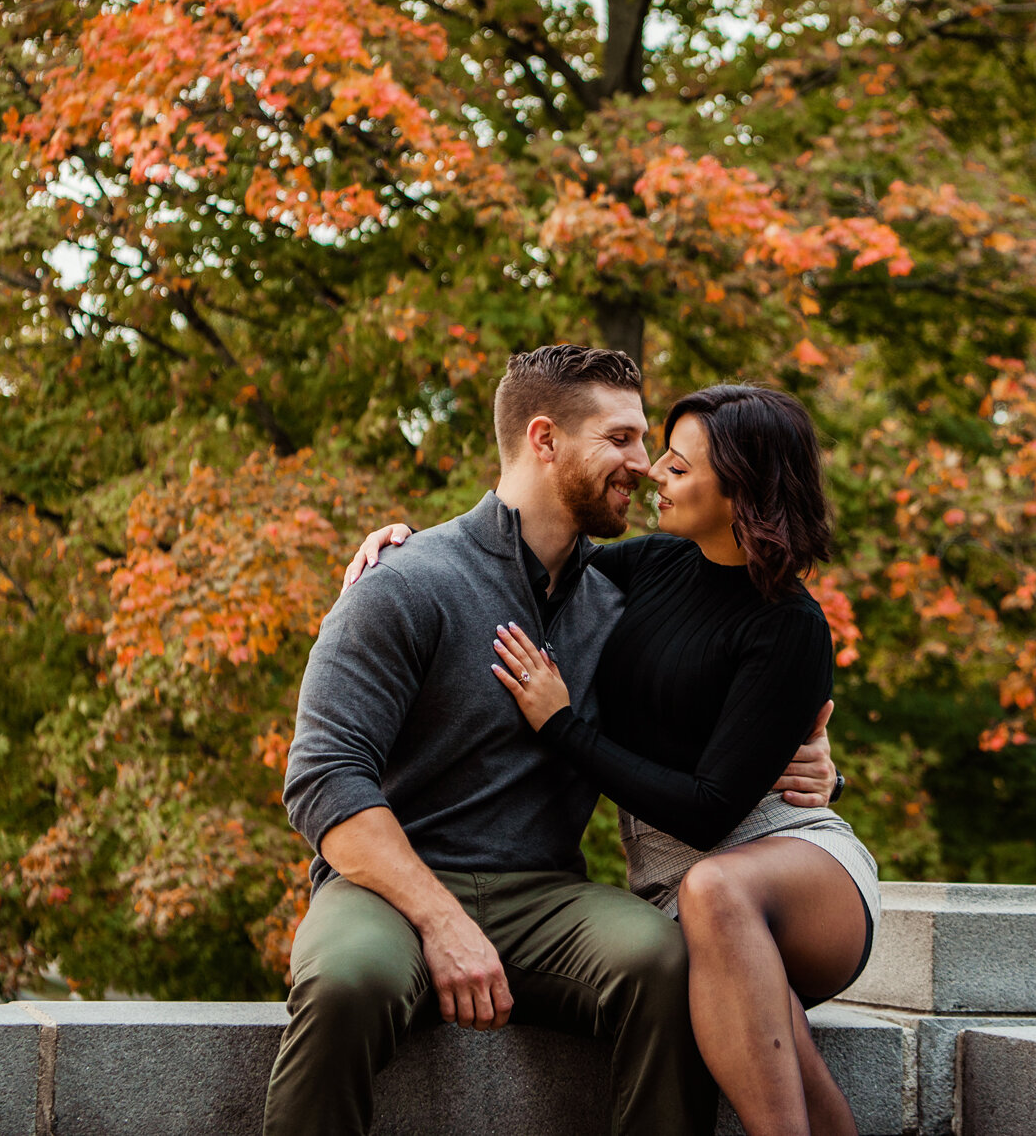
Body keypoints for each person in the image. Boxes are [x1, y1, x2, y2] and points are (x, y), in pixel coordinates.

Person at [263, 346, 838, 1136]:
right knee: (346, 983)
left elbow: (732, 688)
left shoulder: (619, 592)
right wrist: (441, 919)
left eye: (649, 443)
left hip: (543, 893)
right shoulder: (405, 578)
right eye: (623, 440)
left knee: (667, 964)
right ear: (544, 439)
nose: (644, 465)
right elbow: (323, 780)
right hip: (387, 886)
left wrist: (809, 760)